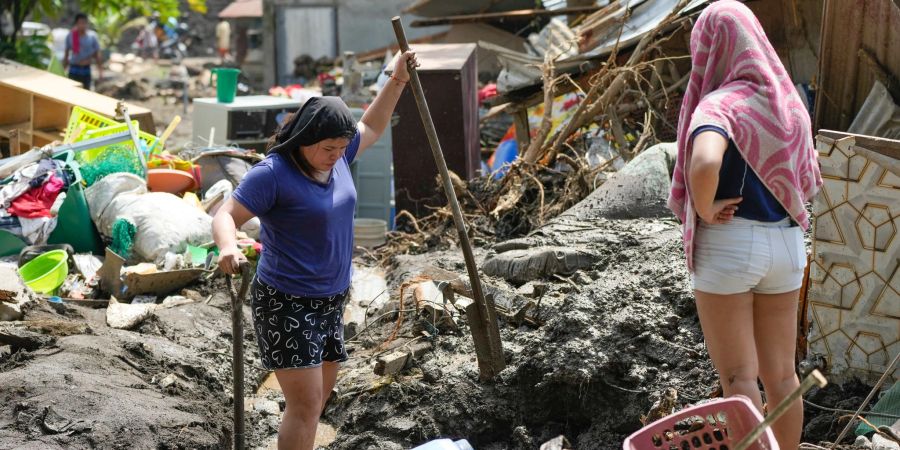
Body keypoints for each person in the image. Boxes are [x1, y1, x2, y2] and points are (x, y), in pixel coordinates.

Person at [213, 51, 417, 450]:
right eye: (328, 148)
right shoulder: (274, 174)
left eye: (343, 148)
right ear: (305, 139)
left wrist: (398, 80)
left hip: (330, 298)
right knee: (305, 406)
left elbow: (372, 125)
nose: (338, 155)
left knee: (317, 401)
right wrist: (226, 247)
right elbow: (226, 214)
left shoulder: (338, 155)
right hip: (287, 302)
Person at [667, 1, 822, 449]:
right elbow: (808, 177)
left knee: (739, 379)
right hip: (788, 244)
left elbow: (705, 161)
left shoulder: (721, 102)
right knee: (782, 374)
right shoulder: (790, 102)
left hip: (731, 246)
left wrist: (704, 204)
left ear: (712, 47)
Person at [63, 13, 103, 90]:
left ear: (87, 24)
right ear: (76, 24)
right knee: (72, 92)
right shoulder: (71, 36)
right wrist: (63, 70)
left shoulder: (92, 36)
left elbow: (98, 54)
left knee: (86, 92)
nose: (82, 25)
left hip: (86, 70)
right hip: (74, 69)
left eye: (84, 23)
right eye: (80, 23)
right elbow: (66, 54)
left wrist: (100, 72)